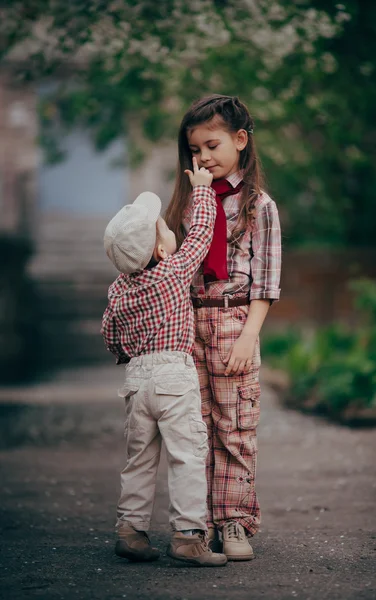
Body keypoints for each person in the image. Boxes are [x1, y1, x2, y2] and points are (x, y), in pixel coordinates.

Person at [165, 94, 282, 561]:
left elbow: (267, 282)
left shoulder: (258, 205)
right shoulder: (189, 202)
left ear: (240, 140)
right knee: (194, 427)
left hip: (235, 319)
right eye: (195, 150)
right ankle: (196, 524)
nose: (204, 157)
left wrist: (249, 336)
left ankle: (235, 523)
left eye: (212, 145)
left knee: (235, 426)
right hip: (188, 321)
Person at [101, 165, 227, 567]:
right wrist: (203, 191)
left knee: (139, 458)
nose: (172, 229)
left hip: (137, 379)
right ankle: (189, 536)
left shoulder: (119, 289)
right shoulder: (172, 272)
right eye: (164, 227)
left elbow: (110, 335)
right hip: (174, 374)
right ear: (160, 249)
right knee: (186, 454)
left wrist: (128, 349)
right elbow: (202, 236)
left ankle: (131, 531)